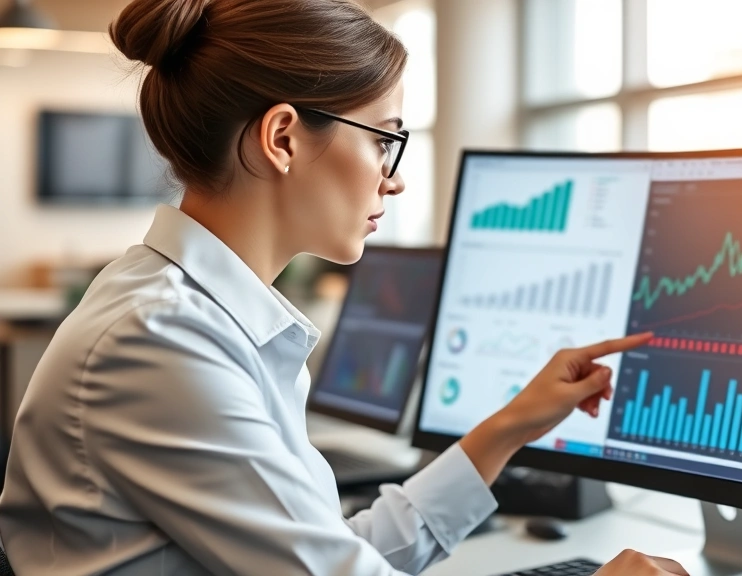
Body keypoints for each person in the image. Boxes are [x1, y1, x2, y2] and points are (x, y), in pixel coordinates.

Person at [0, 1, 690, 575]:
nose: (396, 178)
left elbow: (330, 553)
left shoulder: (197, 318)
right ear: (282, 138)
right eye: (384, 139)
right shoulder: (160, 341)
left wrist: (509, 427)